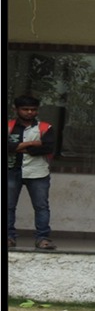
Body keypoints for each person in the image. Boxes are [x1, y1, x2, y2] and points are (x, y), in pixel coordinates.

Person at [7, 95, 56, 249]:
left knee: (41, 206)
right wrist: (33, 143)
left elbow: (47, 148)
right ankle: (8, 237)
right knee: (8, 206)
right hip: (11, 170)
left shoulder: (45, 128)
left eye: (33, 109)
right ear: (16, 109)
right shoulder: (8, 126)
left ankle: (42, 238)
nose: (29, 112)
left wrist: (18, 147)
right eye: (25, 109)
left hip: (38, 172)